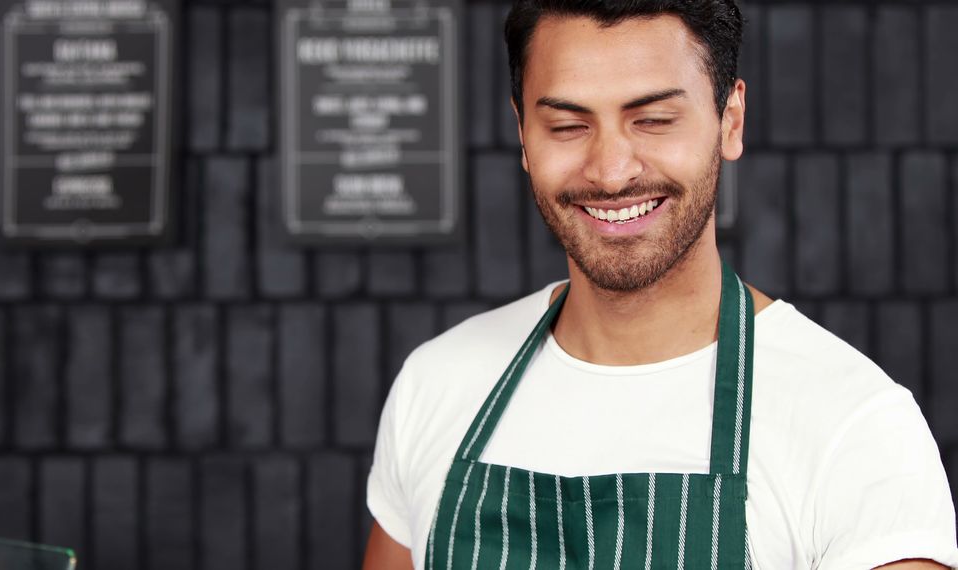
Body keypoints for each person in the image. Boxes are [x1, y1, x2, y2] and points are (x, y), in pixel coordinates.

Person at [362, 0, 958, 568]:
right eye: (568, 125)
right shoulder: (436, 382)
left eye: (653, 120)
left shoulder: (854, 427)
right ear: (523, 134)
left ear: (730, 120)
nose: (611, 170)